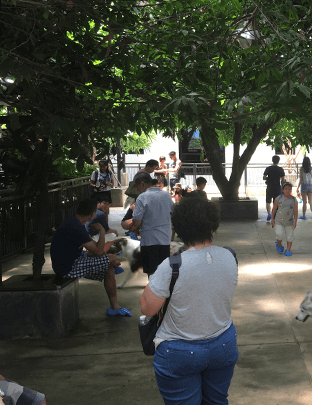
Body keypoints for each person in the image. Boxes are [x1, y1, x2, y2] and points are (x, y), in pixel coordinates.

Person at [140, 198, 239, 405]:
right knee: (217, 401)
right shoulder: (229, 256)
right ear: (213, 226)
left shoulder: (172, 265)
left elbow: (148, 307)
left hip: (179, 351)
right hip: (223, 343)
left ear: (180, 229)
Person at [49, 198, 129, 316]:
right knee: (110, 259)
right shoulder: (76, 227)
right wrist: (102, 230)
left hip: (68, 263)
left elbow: (93, 248)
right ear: (92, 214)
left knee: (109, 264)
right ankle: (114, 306)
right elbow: (99, 251)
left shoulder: (74, 222)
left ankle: (114, 306)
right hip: (68, 268)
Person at [129, 171, 174, 276]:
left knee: (152, 273)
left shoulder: (142, 197)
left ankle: (153, 292)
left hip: (149, 240)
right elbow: (173, 212)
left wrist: (132, 227)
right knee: (164, 272)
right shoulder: (166, 195)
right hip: (165, 239)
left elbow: (136, 222)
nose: (137, 189)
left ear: (142, 183)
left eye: (137, 186)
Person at [271, 182, 299, 256]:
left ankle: (288, 250)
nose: (288, 191)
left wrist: (295, 221)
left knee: (290, 236)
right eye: (286, 189)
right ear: (283, 190)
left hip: (289, 222)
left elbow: (295, 211)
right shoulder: (278, 199)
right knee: (279, 234)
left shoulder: (293, 200)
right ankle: (279, 245)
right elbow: (274, 209)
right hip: (278, 221)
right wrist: (272, 219)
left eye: (289, 189)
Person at [263, 155, 285, 221]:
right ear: (278, 161)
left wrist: (268, 178)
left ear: (272, 160)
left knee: (268, 201)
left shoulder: (268, 168)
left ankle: (269, 214)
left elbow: (264, 177)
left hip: (269, 187)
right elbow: (283, 179)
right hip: (277, 187)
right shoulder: (280, 169)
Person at [297, 157, 312, 221]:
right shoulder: (311, 169)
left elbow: (301, 179)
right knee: (310, 201)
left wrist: (298, 187)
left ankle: (304, 215)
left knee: (304, 202)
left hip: (304, 186)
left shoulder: (301, 169)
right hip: (310, 186)